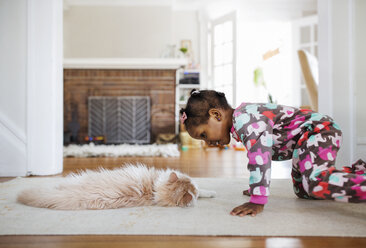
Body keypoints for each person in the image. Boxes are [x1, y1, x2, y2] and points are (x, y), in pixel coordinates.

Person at [179, 89, 366, 217]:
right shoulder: (241, 120)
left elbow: (260, 158)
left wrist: (257, 198)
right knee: (303, 191)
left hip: (318, 132)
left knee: (316, 183)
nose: (208, 142)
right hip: (303, 143)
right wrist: (255, 186)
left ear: (216, 115)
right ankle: (358, 172)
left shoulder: (245, 120)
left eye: (204, 134)